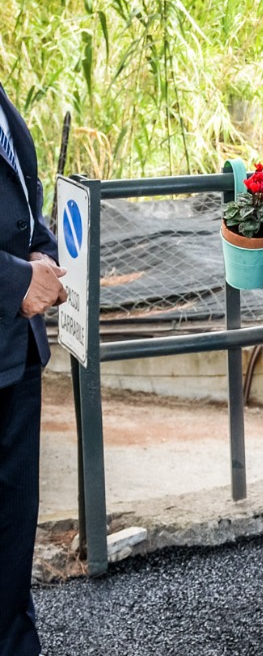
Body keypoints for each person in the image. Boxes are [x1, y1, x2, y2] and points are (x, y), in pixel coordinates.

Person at [1, 79, 65, 656]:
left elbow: (22, 196)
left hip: (15, 352)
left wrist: (43, 253)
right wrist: (17, 281)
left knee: (12, 535)